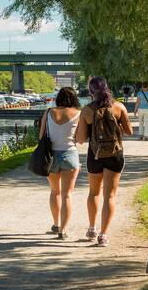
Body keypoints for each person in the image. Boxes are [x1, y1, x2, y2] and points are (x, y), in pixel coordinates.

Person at [75, 76, 133, 247]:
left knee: (94, 193)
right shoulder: (119, 107)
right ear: (107, 88)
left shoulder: (86, 111)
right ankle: (103, 235)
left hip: (95, 156)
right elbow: (129, 131)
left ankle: (92, 228)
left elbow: (80, 139)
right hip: (115, 155)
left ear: (91, 91)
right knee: (110, 196)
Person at [43, 87, 82, 240]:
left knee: (55, 192)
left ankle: (56, 224)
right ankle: (63, 231)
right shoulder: (78, 114)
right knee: (67, 194)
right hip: (70, 154)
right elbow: (80, 139)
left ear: (58, 98)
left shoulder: (48, 112)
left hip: (51, 155)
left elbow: (41, 136)